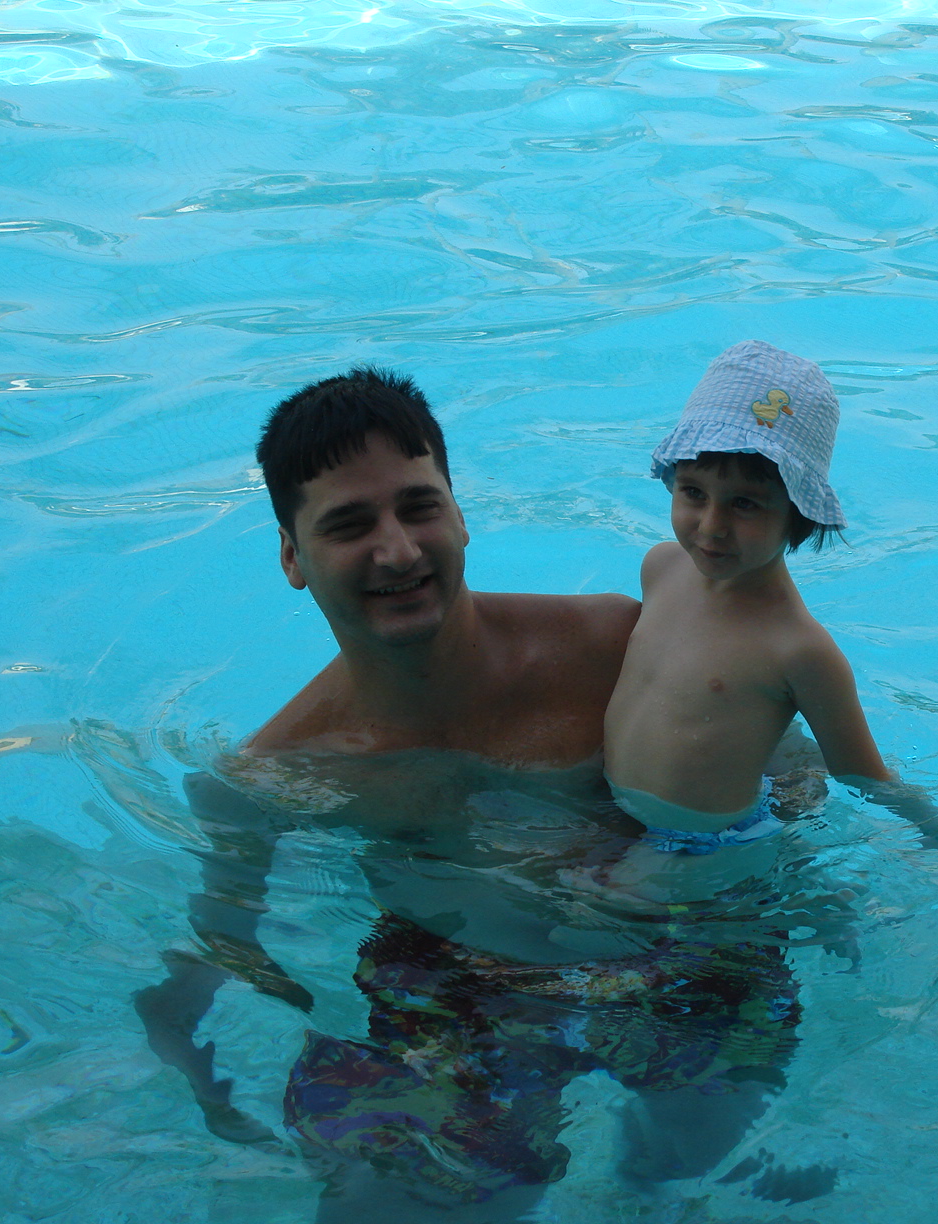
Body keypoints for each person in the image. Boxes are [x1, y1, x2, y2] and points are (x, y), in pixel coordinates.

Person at [133, 367, 827, 1223]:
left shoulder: (615, 646)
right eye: (349, 525)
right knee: (387, 1205)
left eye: (419, 507)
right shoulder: (277, 780)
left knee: (693, 1167)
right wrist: (204, 1082)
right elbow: (218, 959)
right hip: (458, 994)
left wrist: (699, 865)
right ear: (291, 556)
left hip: (680, 955)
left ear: (460, 514)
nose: (398, 551)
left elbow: (792, 776)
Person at [598, 341, 938, 902]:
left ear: (799, 514)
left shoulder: (798, 649)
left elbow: (861, 772)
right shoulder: (661, 568)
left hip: (710, 840)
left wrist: (932, 827)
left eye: (745, 504)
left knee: (581, 923)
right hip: (621, 805)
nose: (711, 525)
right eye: (694, 493)